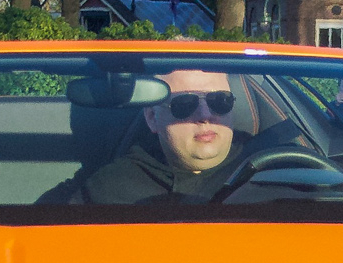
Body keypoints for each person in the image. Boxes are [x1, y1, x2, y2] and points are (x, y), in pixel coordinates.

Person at [76, 69, 256, 203]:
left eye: (220, 100)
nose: (204, 115)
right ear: (152, 117)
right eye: (184, 103)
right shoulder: (110, 187)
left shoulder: (267, 168)